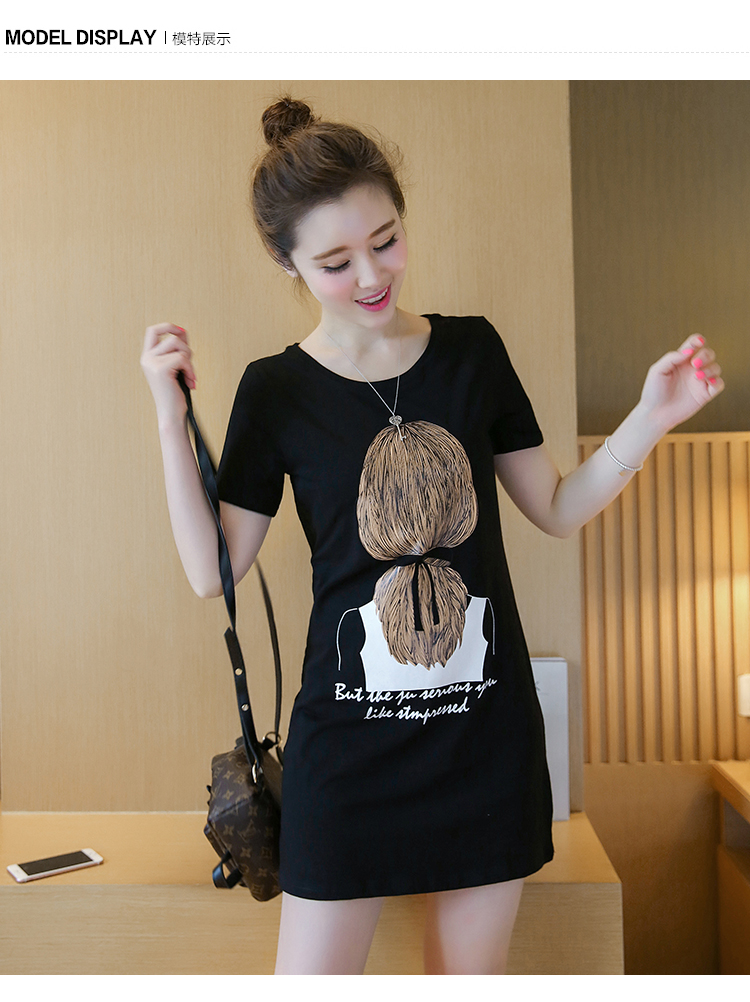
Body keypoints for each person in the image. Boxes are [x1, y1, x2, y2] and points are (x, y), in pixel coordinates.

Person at [140, 97, 724, 975]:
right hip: (345, 760)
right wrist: (167, 413)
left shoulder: (472, 353)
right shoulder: (275, 392)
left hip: (483, 750)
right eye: (336, 262)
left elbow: (556, 508)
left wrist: (651, 416)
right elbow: (209, 571)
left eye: (386, 241)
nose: (372, 274)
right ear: (287, 261)